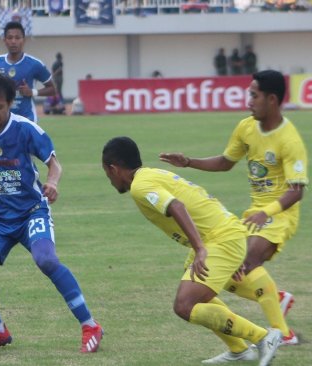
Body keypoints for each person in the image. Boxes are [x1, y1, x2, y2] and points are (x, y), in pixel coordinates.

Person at [0, 71, 103, 352]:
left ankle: (90, 325)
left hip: (32, 211)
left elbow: (54, 164)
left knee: (46, 260)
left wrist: (53, 182)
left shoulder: (26, 129)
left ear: (10, 103)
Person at [159, 70, 307, 351]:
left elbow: (297, 190)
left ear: (272, 100)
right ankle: (276, 298)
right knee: (227, 269)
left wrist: (269, 211)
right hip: (255, 213)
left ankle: (282, 333)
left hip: (280, 214)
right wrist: (189, 162)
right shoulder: (246, 127)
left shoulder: (289, 140)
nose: (248, 100)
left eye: (254, 95)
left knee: (246, 261)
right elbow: (227, 162)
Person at [102, 136, 282, 366]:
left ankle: (264, 337)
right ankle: (239, 350)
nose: (108, 179)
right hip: (221, 233)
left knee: (185, 305)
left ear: (113, 168)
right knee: (199, 296)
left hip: (219, 238)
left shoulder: (140, 186)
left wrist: (200, 250)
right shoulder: (152, 173)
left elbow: (177, 206)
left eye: (107, 173)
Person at [0, 21, 55, 122]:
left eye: (17, 38)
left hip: (27, 119)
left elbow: (52, 89)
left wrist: (32, 92)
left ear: (24, 40)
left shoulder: (34, 64)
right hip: (2, 119)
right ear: (4, 40)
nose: (13, 41)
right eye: (10, 38)